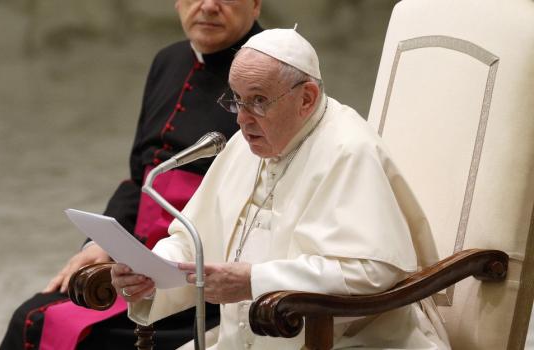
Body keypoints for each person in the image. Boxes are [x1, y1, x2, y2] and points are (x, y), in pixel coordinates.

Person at [111, 28, 451, 350]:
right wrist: (152, 269)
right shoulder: (244, 146)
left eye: (258, 101)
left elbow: (372, 270)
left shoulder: (348, 150)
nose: (242, 119)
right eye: (237, 100)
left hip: (347, 342)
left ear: (306, 98)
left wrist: (255, 281)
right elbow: (192, 241)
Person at [0, 1, 263, 349]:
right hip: (139, 256)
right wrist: (99, 244)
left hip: (203, 276)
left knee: (60, 328)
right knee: (32, 316)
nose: (208, 6)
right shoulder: (168, 60)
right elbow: (141, 176)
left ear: (256, 4)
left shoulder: (266, 73)